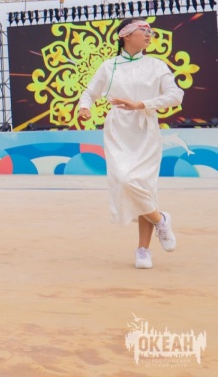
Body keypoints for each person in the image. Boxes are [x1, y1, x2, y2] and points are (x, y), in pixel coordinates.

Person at [78, 18, 183, 269]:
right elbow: (89, 92)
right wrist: (84, 107)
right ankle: (160, 219)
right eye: (143, 31)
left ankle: (143, 250)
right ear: (125, 35)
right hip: (118, 130)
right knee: (124, 180)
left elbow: (176, 95)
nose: (149, 34)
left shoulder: (156, 65)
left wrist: (142, 104)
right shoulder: (109, 66)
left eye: (150, 31)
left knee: (143, 185)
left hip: (146, 129)